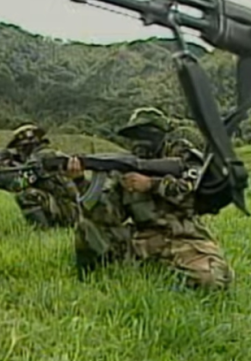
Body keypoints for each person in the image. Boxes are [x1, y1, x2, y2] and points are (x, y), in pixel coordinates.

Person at [66, 107, 233, 290]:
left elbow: (199, 196)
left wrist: (152, 184)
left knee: (213, 279)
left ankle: (169, 279)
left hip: (184, 239)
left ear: (159, 134)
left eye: (144, 133)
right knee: (86, 227)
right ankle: (89, 281)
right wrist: (81, 182)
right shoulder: (126, 168)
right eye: (133, 136)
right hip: (141, 242)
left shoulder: (183, 158)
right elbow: (108, 216)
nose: (138, 142)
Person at [0, 124, 83, 229]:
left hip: (73, 211)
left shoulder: (42, 159)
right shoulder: (47, 155)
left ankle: (43, 233)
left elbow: (18, 183)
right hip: (70, 207)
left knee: (28, 196)